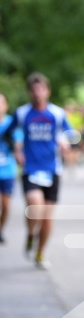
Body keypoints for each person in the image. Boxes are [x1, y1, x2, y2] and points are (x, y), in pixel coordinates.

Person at [10, 72, 73, 268]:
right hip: (30, 168)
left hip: (52, 168)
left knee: (46, 216)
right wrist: (17, 148)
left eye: (41, 88)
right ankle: (30, 234)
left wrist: (65, 142)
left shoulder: (57, 113)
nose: (38, 92)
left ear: (48, 91)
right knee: (34, 207)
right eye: (34, 89)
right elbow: (11, 132)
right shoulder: (22, 113)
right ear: (29, 92)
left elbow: (70, 133)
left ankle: (39, 253)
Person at [0, 94, 23, 243]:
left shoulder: (11, 123)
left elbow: (19, 141)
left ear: (6, 105)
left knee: (6, 206)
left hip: (7, 170)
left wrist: (16, 147)